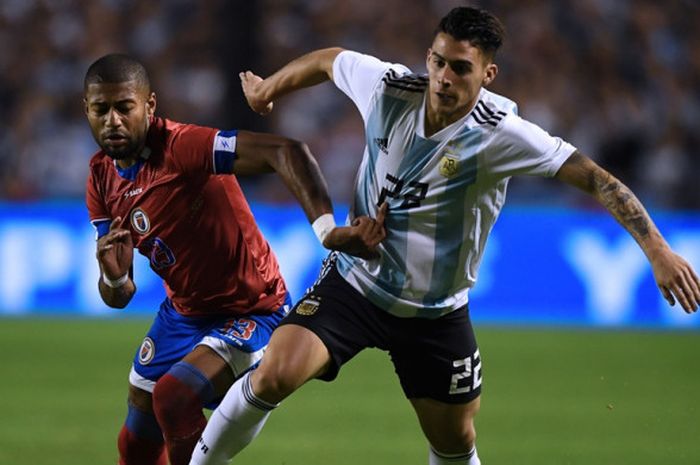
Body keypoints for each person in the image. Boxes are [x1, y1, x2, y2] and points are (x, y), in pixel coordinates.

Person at [189, 7, 700, 465]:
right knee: (276, 370)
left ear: (487, 74)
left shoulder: (504, 134)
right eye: (437, 61)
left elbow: (596, 178)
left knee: (454, 441)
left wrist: (657, 249)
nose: (443, 77)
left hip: (434, 312)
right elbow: (330, 59)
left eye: (460, 67)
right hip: (357, 286)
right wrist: (268, 88)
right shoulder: (389, 89)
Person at [83, 53, 384, 465]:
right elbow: (118, 296)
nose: (113, 120)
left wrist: (327, 231)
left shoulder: (183, 147)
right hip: (184, 313)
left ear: (149, 106)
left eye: (124, 107)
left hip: (252, 309)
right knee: (135, 439)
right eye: (101, 109)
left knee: (174, 397)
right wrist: (115, 281)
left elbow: (286, 152)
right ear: (87, 110)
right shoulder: (101, 177)